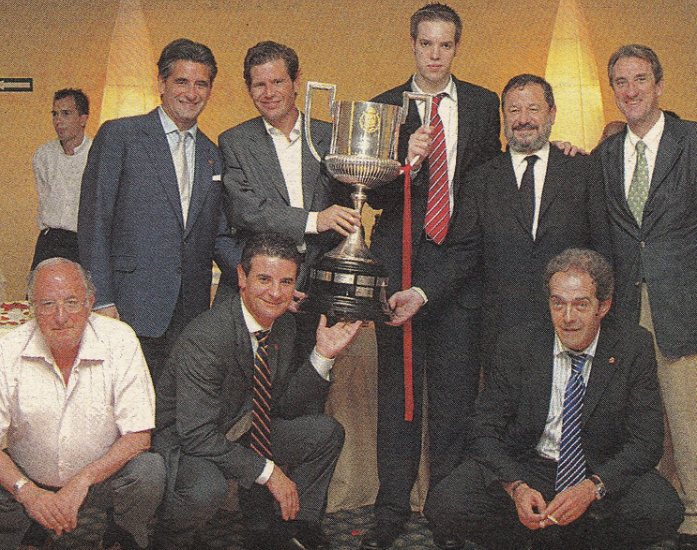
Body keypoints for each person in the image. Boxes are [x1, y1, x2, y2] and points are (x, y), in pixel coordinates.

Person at [424, 248, 683, 550]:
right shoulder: (518, 343)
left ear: (604, 306)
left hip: (595, 468)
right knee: (444, 504)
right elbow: (483, 429)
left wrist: (591, 488)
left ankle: (575, 539)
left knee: (662, 509)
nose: (568, 317)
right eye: (558, 303)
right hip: (531, 466)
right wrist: (516, 487)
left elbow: (647, 441)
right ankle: (537, 532)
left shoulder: (633, 345)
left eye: (581, 305)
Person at [361, 4, 501, 548]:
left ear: (455, 48)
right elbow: (367, 194)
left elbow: (496, 176)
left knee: (455, 397)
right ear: (412, 44)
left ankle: (446, 505)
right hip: (400, 266)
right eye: (426, 45)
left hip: (462, 271)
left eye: (445, 46)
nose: (435, 55)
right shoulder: (382, 108)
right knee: (399, 396)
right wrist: (405, 162)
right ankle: (392, 505)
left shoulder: (487, 105)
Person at [152, 232, 361, 550]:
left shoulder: (284, 326)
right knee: (207, 489)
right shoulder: (208, 336)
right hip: (189, 442)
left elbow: (282, 406)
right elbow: (196, 435)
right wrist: (269, 472)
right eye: (264, 279)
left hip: (240, 429)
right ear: (241, 277)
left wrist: (323, 355)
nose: (276, 293)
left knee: (324, 432)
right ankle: (169, 539)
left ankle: (295, 529)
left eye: (286, 282)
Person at [389, 74, 612, 364]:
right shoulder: (481, 179)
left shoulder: (583, 171)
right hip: (501, 338)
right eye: (514, 110)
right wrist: (420, 293)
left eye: (533, 109)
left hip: (573, 330)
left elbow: (603, 249)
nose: (523, 119)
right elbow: (464, 253)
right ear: (503, 116)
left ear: (552, 113)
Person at [78, 38, 239, 383]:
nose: (191, 93)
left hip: (190, 316)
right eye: (182, 81)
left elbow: (218, 234)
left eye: (201, 84)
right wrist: (102, 300)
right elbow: (94, 223)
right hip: (127, 309)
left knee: (172, 414)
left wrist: (252, 276)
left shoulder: (214, 153)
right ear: (162, 83)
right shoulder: (120, 135)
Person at [593, 44, 697, 550]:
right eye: (620, 82)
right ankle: (652, 512)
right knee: (638, 417)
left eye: (640, 80)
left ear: (659, 84)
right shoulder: (605, 155)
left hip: (683, 302)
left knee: (687, 413)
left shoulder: (691, 142)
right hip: (626, 307)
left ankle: (696, 517)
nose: (630, 91)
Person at [0, 258, 164, 550]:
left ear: (90, 304)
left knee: (148, 471)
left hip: (99, 482)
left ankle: (120, 534)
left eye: (72, 302)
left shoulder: (120, 340)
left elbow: (139, 436)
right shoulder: (8, 349)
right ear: (32, 308)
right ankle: (27, 531)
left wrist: (81, 482)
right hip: (27, 480)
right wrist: (28, 493)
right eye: (48, 304)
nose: (61, 316)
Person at [219, 40, 358, 295]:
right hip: (261, 291)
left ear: (296, 83)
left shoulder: (333, 136)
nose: (269, 93)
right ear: (249, 89)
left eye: (278, 82)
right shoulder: (233, 142)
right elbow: (245, 211)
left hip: (321, 288)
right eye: (259, 85)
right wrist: (315, 220)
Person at [31, 89, 91, 269]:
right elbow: (44, 195)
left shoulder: (96, 153)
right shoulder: (43, 155)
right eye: (55, 114)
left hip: (83, 242)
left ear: (83, 119)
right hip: (50, 240)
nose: (58, 120)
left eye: (66, 114)